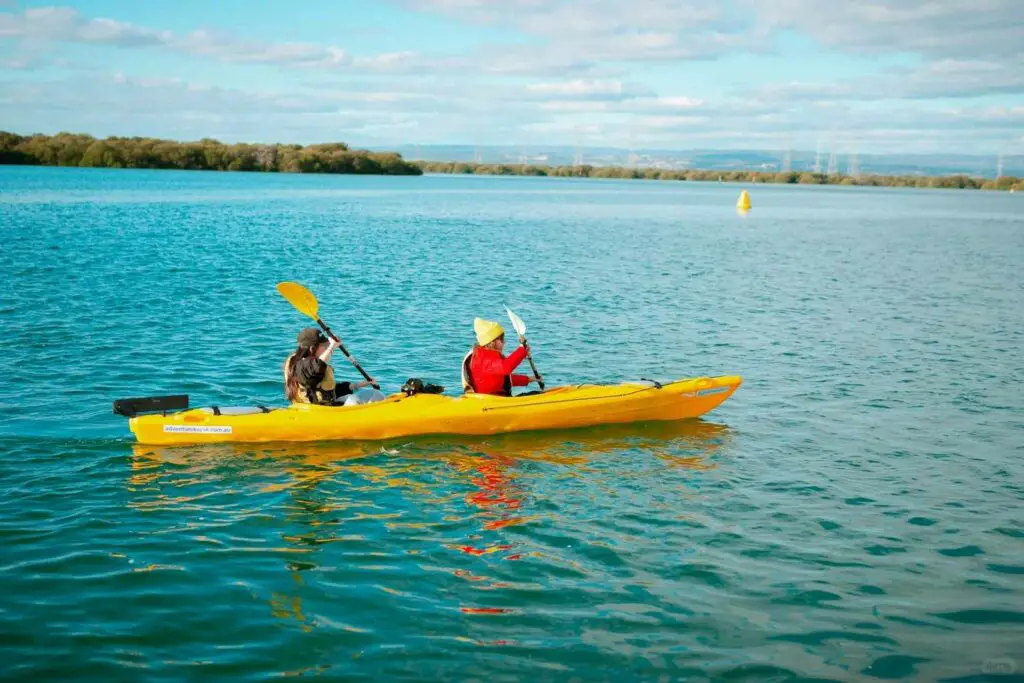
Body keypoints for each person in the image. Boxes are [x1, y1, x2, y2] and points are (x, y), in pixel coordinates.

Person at [283, 328, 376, 405]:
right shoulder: (300, 366)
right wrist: (332, 347)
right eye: (323, 346)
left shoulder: (313, 367)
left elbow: (328, 390)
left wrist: (358, 385)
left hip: (325, 407)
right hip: (317, 411)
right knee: (355, 401)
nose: (325, 348)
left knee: (375, 394)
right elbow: (316, 366)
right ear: (312, 348)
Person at [461, 318, 541, 396]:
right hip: (490, 402)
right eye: (501, 339)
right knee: (536, 396)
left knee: (534, 394)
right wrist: (522, 350)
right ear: (492, 342)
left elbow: (503, 379)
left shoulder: (484, 355)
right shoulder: (484, 359)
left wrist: (529, 379)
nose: (504, 342)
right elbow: (506, 367)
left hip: (495, 399)